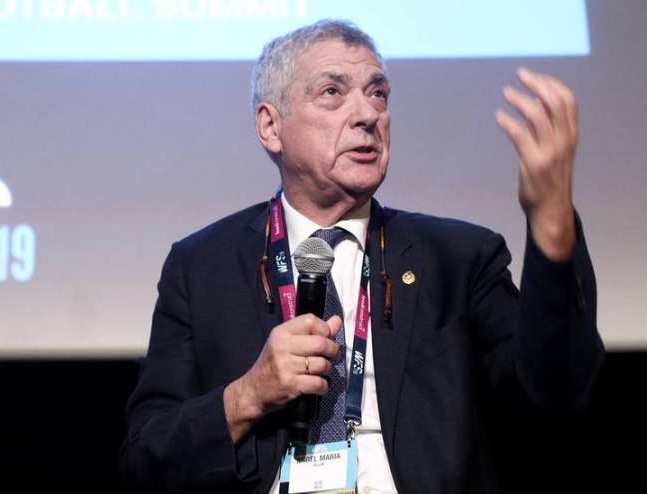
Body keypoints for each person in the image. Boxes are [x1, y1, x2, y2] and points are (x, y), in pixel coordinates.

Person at [120, 19, 603, 494]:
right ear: (270, 126)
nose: (368, 114)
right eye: (333, 92)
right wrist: (248, 395)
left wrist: (551, 225)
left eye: (378, 94)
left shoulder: (458, 260)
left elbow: (555, 394)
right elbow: (145, 459)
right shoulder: (201, 267)